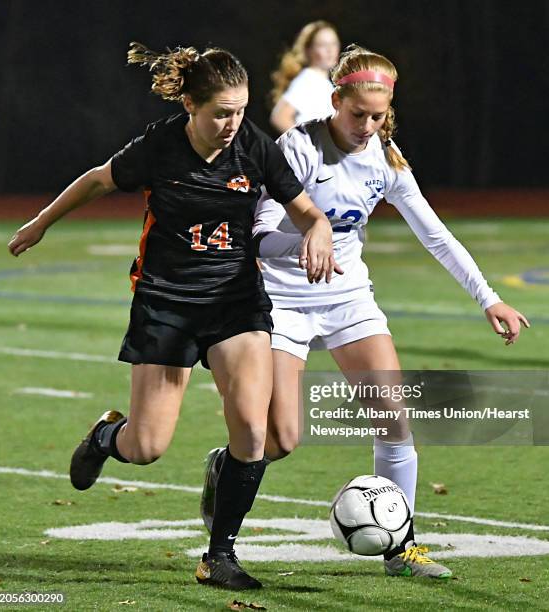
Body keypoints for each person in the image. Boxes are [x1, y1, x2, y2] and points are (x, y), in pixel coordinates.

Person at [7, 42, 339, 591]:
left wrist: (319, 234)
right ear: (190, 104)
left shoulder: (254, 146)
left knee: (253, 432)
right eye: (221, 112)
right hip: (166, 301)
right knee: (147, 447)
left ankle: (219, 555)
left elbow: (308, 212)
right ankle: (104, 438)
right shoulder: (160, 147)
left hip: (235, 301)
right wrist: (41, 222)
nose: (232, 122)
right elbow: (96, 179)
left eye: (240, 109)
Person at [201, 45, 530, 579]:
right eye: (358, 115)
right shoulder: (299, 148)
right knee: (279, 439)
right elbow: (257, 237)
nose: (367, 126)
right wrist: (306, 240)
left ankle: (402, 550)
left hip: (349, 299)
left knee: (394, 421)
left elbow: (436, 236)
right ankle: (227, 464)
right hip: (282, 302)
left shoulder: (387, 158)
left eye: (378, 117)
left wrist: (488, 297)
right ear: (336, 101)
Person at [270, 20, 340, 134]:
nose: (330, 50)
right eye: (323, 45)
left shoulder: (322, 82)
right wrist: (305, 144)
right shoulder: (308, 79)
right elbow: (279, 117)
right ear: (308, 50)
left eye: (334, 44)